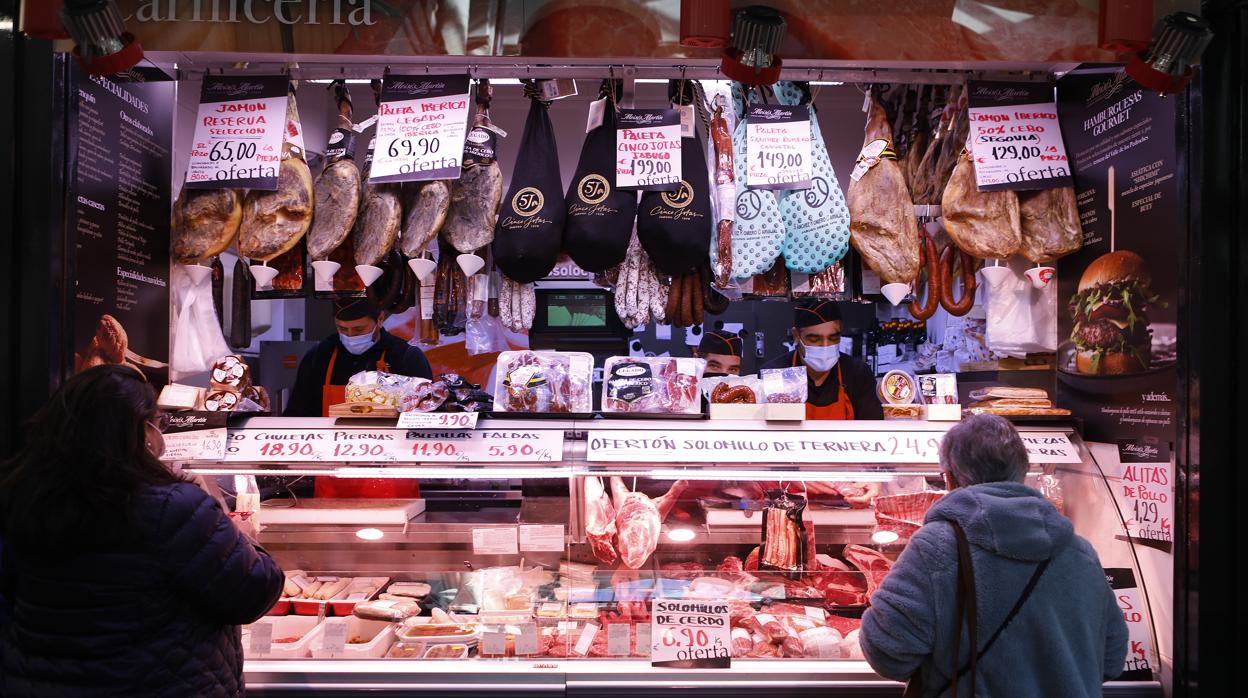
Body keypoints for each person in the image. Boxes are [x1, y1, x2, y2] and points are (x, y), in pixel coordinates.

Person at [0, 365, 284, 696]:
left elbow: (9, 597)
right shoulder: (172, 508)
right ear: (138, 431)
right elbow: (254, 590)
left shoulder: (21, 498)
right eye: (156, 422)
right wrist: (239, 533)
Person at [859, 414, 1128, 697]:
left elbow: (887, 653)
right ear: (1023, 471)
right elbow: (1111, 658)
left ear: (949, 478)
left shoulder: (936, 548)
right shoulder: (1080, 552)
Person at [284, 297, 434, 418]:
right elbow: (297, 413)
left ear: (380, 319)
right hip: (329, 449)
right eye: (342, 329)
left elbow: (426, 416)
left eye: (359, 329)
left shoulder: (406, 357)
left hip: (387, 449)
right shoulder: (319, 356)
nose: (350, 335)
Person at [761, 299, 882, 420]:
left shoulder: (857, 373)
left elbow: (872, 429)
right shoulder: (775, 373)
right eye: (814, 339)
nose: (825, 346)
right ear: (796, 336)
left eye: (833, 338)